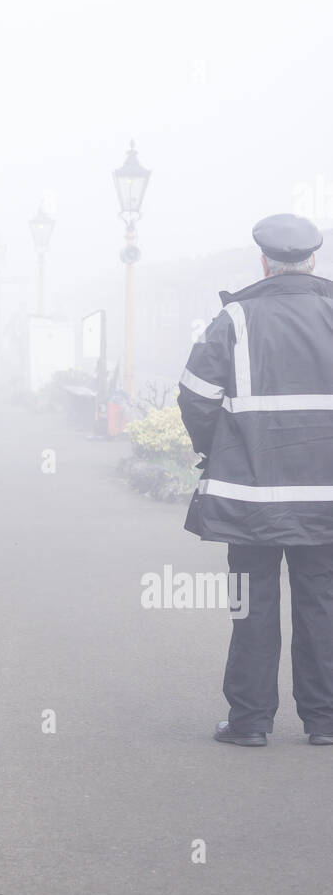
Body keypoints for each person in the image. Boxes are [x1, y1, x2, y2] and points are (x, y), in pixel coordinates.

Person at [178, 213, 333, 747]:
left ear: (265, 261)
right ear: (313, 260)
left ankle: (249, 722)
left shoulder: (235, 319)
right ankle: (325, 721)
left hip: (251, 496)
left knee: (253, 603)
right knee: (323, 602)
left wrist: (217, 449)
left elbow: (195, 396)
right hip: (326, 499)